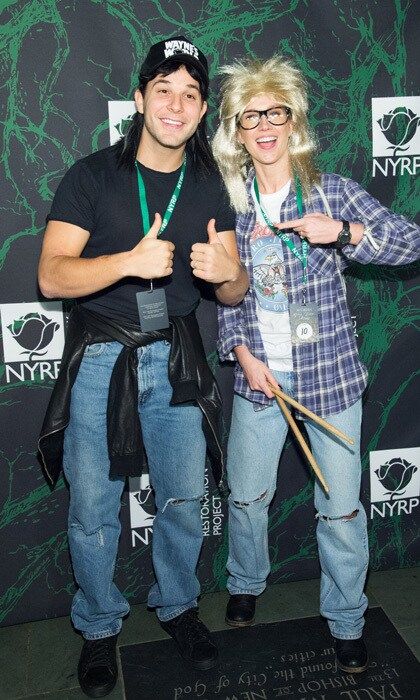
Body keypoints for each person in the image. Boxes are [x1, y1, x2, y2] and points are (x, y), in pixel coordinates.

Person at [38, 36, 248, 698]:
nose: (176, 104)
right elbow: (51, 275)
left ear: (202, 107)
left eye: (190, 94)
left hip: (178, 357)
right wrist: (127, 260)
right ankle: (99, 627)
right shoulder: (93, 175)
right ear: (139, 99)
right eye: (164, 90)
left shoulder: (212, 181)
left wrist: (230, 274)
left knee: (185, 498)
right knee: (94, 504)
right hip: (102, 355)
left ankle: (179, 607)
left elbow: (235, 292)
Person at [213, 55, 420, 674]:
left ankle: (348, 618)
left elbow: (411, 240)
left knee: (341, 506)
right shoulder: (229, 204)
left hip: (329, 376)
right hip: (260, 378)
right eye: (251, 118)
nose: (264, 127)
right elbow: (226, 294)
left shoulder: (331, 190)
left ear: (292, 120)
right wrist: (245, 356)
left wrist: (347, 232)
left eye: (274, 113)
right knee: (246, 497)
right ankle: (246, 584)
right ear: (238, 133)